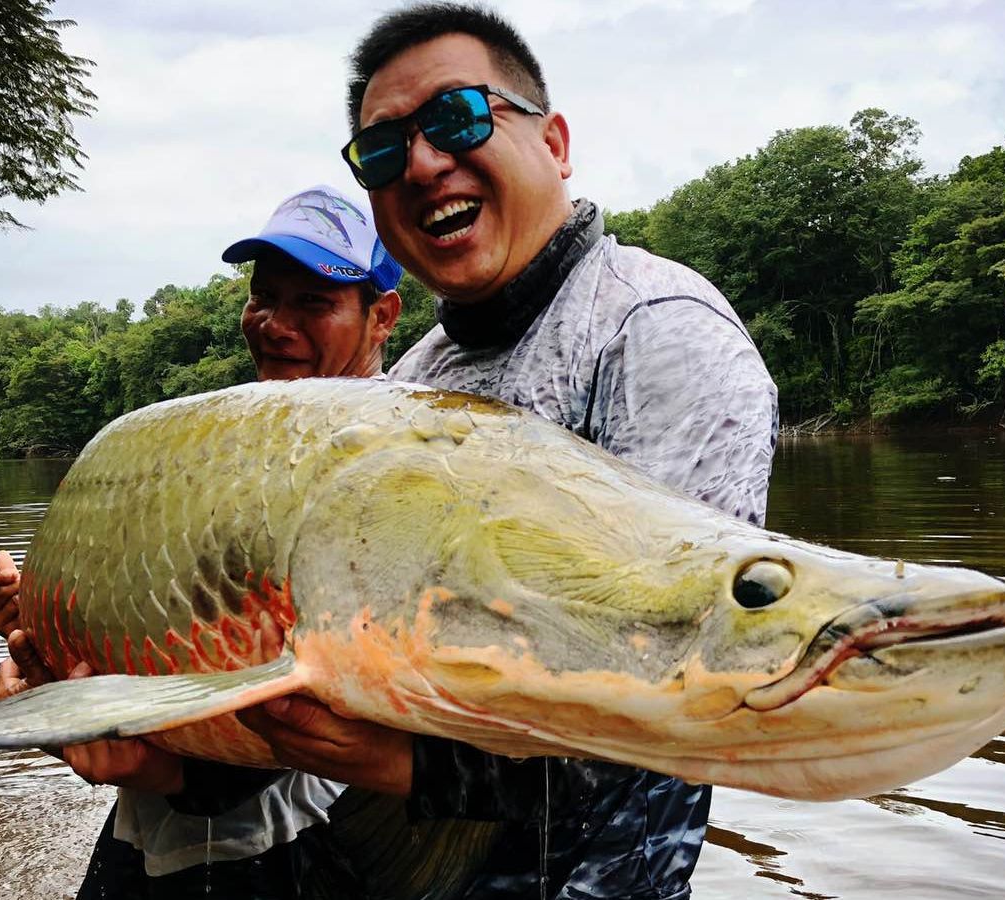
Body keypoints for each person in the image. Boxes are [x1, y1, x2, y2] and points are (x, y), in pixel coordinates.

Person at [236, 5, 781, 899]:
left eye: (457, 119)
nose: (419, 164)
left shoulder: (655, 333)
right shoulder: (417, 376)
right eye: (383, 151)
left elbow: (685, 691)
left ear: (556, 142)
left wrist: (412, 766)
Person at [0, 183, 402, 899]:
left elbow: (318, 690)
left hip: (297, 845)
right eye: (264, 296)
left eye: (312, 303)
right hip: (153, 838)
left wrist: (152, 765)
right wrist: (43, 619)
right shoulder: (226, 445)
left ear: (381, 316)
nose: (274, 324)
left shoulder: (382, 468)